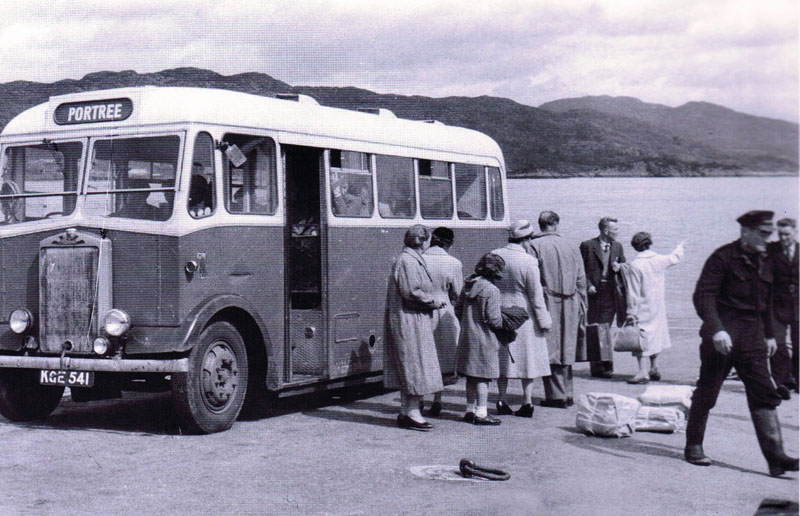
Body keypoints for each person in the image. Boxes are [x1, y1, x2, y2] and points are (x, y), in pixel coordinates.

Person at [686, 210, 798, 477]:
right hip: (722, 337)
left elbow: (767, 302)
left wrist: (770, 335)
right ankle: (694, 446)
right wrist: (716, 330)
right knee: (708, 391)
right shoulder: (722, 257)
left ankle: (776, 458)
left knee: (763, 393)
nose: (767, 238)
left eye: (768, 233)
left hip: (753, 336)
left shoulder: (766, 260)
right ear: (745, 231)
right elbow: (704, 296)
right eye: (762, 233)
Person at [383, 224, 446, 431]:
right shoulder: (409, 261)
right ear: (424, 240)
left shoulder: (407, 259)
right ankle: (412, 413)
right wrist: (433, 301)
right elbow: (412, 292)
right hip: (410, 319)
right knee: (415, 363)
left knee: (410, 363)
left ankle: (407, 411)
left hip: (410, 318)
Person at [492, 220, 552, 417]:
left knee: (503, 357)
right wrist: (544, 321)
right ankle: (527, 402)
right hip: (523, 313)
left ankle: (501, 399)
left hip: (500, 309)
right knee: (528, 358)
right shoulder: (529, 261)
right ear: (526, 240)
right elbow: (536, 296)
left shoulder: (495, 255)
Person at [530, 211, 587, 408]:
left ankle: (556, 395)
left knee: (550, 347)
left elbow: (532, 278)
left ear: (540, 225)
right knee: (567, 346)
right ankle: (568, 392)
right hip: (572, 299)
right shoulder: (571, 245)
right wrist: (583, 304)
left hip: (548, 299)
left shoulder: (533, 245)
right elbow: (581, 278)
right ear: (557, 223)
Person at [617, 232, 684, 384]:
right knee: (656, 335)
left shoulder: (636, 264)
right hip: (657, 304)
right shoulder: (659, 259)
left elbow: (633, 291)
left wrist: (631, 311)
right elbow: (675, 258)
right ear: (650, 243)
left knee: (641, 337)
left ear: (635, 247)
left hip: (642, 305)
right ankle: (654, 367)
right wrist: (680, 247)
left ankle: (642, 372)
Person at [455, 253, 506, 425]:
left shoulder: (468, 286)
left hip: (468, 335)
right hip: (485, 338)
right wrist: (504, 323)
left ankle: (469, 409)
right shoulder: (492, 290)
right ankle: (482, 412)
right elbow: (494, 320)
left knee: (470, 375)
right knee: (484, 377)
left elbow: (458, 309)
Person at [422, 227, 464, 417]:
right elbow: (458, 292)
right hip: (443, 309)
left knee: (423, 356)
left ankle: (419, 399)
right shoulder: (454, 263)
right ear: (450, 243)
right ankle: (437, 400)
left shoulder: (419, 259)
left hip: (421, 311)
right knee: (440, 358)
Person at [580, 217, 626, 378]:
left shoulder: (618, 247)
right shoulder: (587, 246)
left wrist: (619, 267)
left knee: (605, 327)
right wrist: (588, 285)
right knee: (594, 327)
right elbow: (580, 269)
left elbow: (625, 269)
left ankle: (606, 365)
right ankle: (596, 366)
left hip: (611, 293)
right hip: (594, 293)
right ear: (606, 231)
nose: (618, 232)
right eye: (616, 229)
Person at [768, 218, 798, 399]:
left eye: (787, 234)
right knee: (777, 344)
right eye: (780, 234)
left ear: (795, 232)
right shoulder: (771, 251)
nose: (783, 238)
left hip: (799, 306)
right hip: (776, 306)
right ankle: (782, 383)